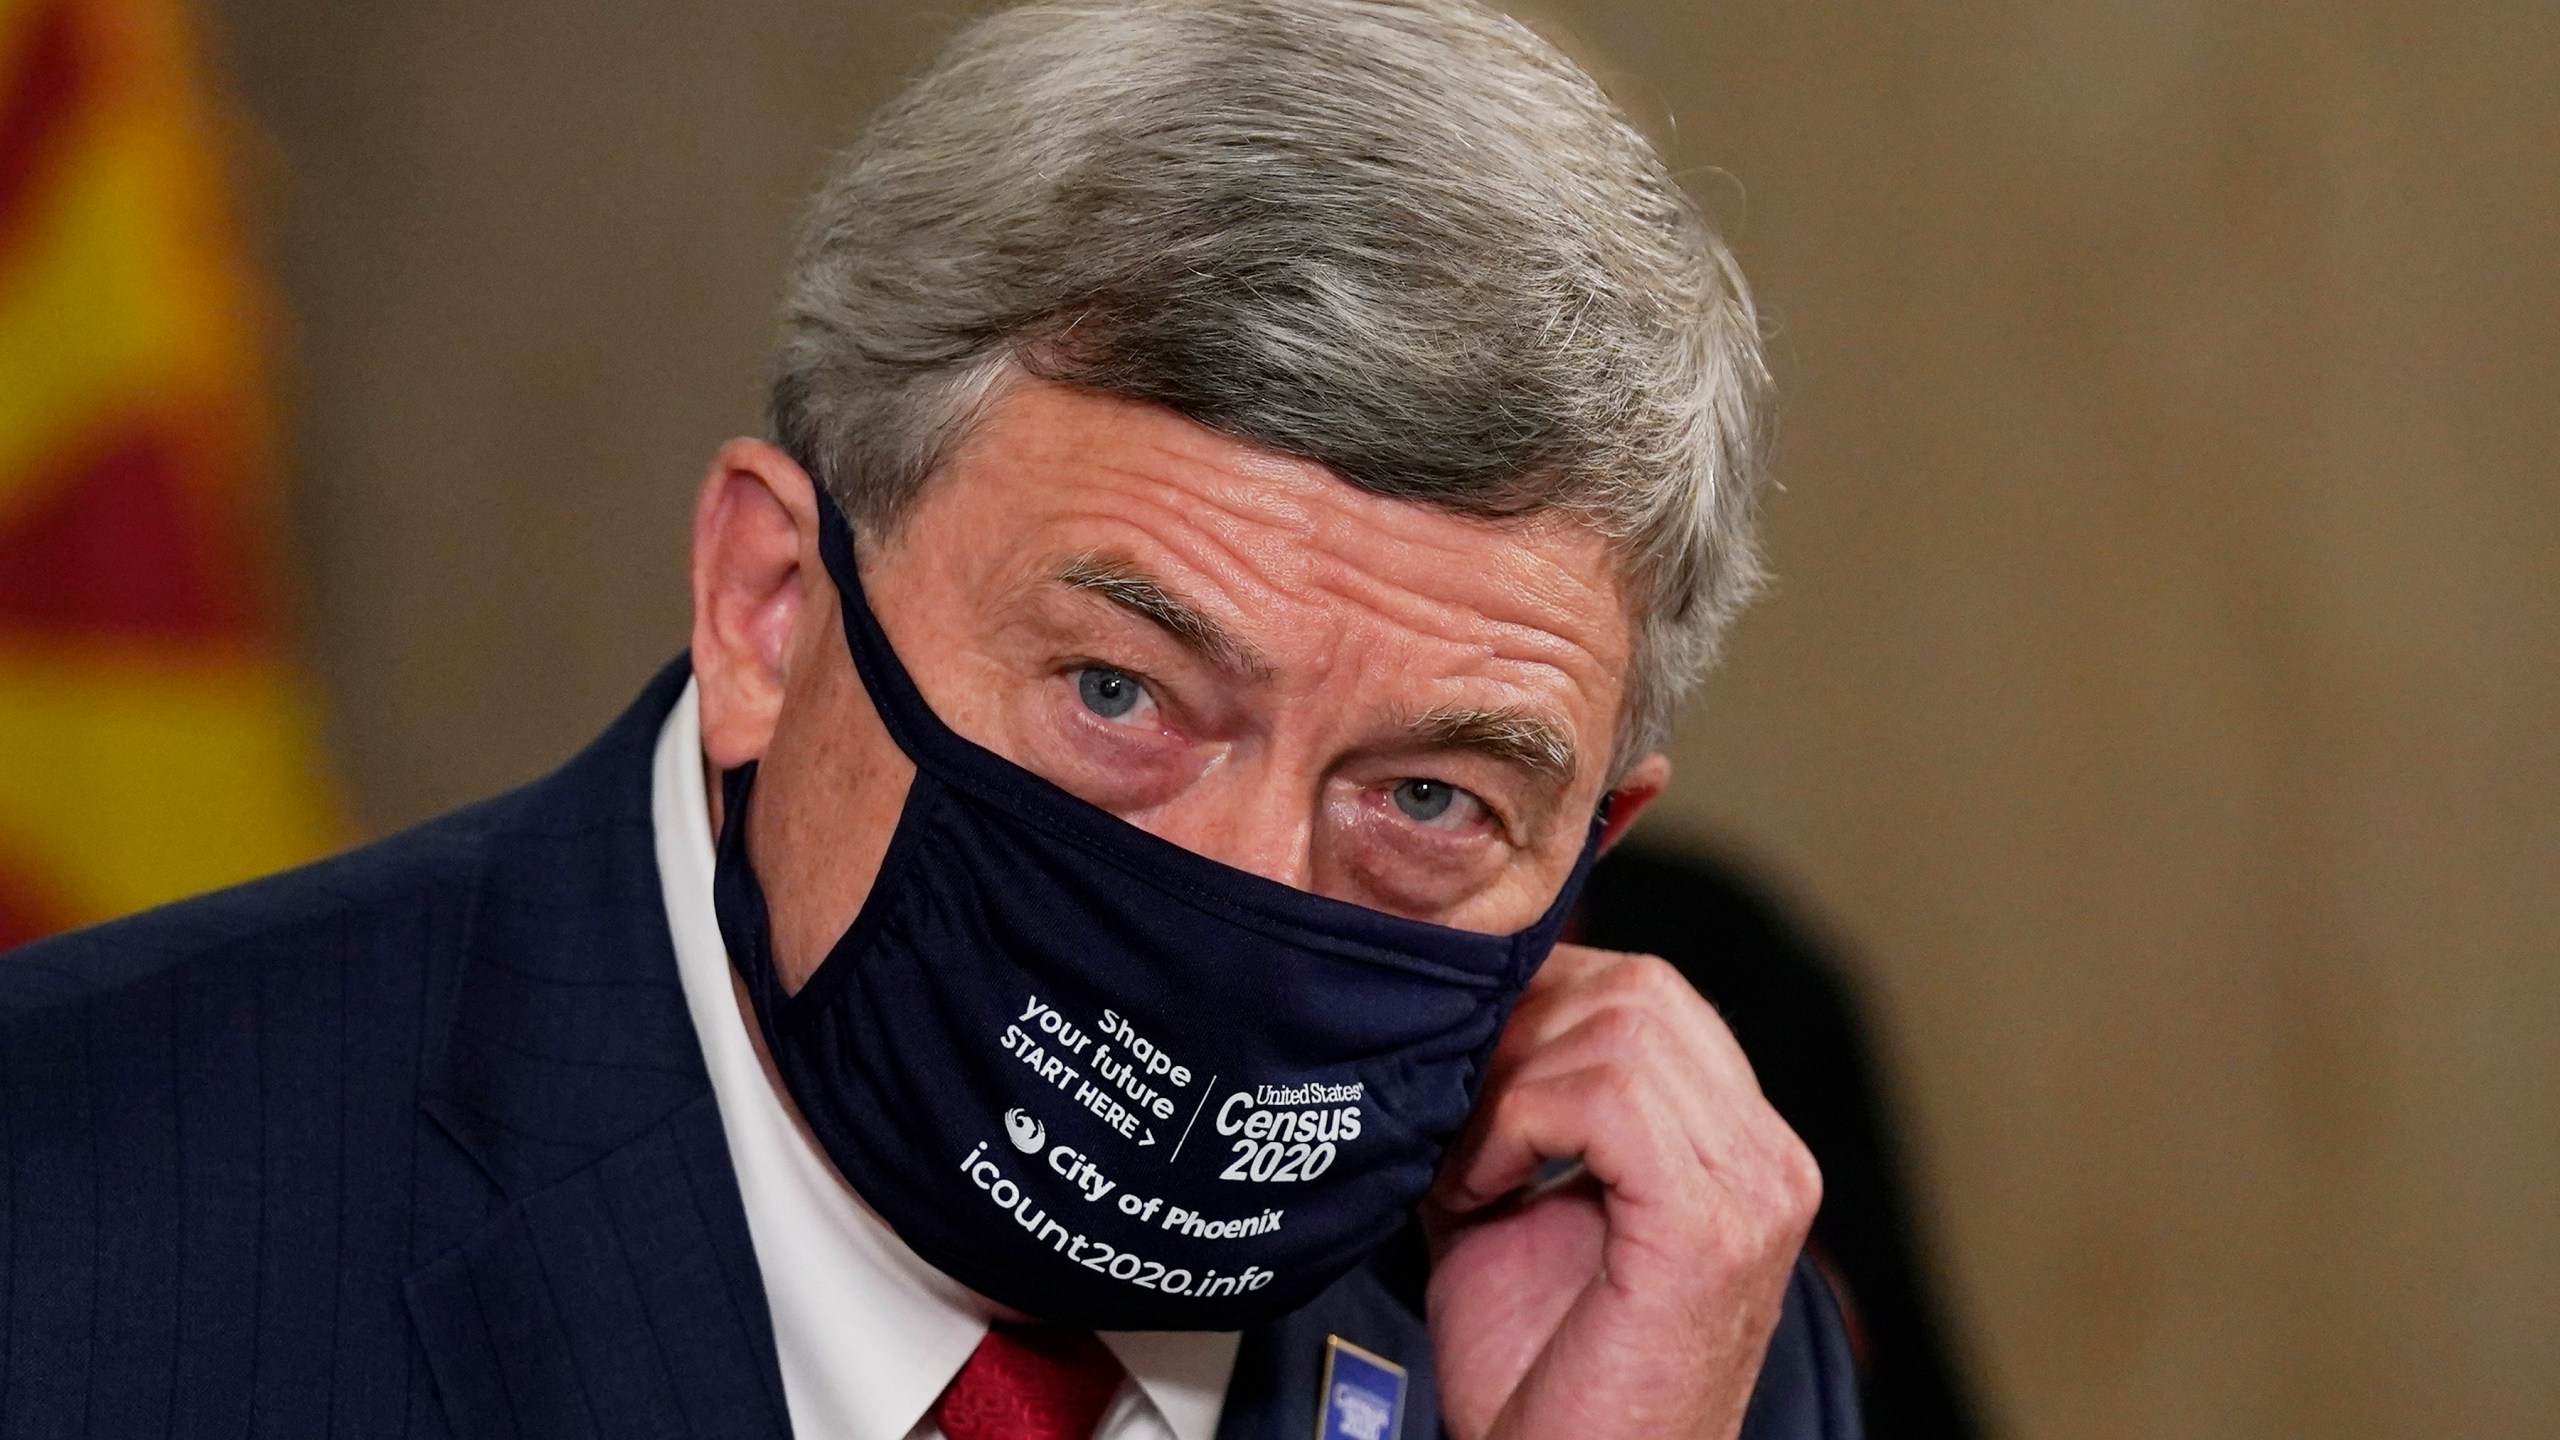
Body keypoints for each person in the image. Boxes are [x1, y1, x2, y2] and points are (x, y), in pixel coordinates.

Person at [0, 2, 1858, 1437]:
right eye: (1121, 692)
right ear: (772, 610)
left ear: (1588, 853)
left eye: (1434, 800)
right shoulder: (67, 1236)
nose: (1242, 897)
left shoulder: (1663, 1346)